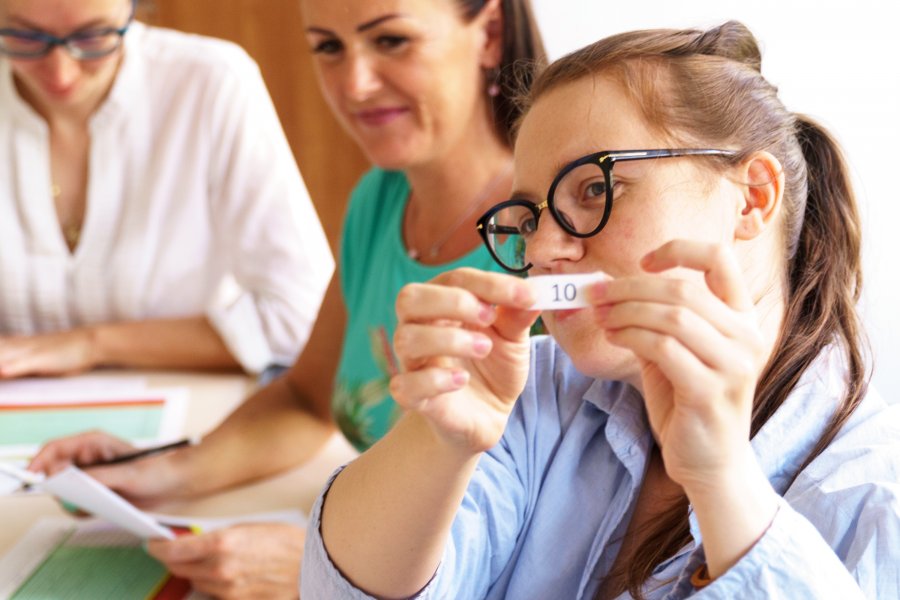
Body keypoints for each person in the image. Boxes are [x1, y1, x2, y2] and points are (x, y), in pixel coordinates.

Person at [302, 21, 900, 599]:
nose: (539, 250)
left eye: (594, 188)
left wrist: (724, 484)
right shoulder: (532, 390)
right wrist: (440, 440)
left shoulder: (876, 494)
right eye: (530, 216)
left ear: (752, 198)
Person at [29, 0, 547, 597]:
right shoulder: (380, 201)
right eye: (329, 47)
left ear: (488, 33)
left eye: (392, 41)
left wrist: (325, 567)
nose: (353, 83)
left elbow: (564, 540)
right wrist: (160, 472)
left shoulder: (553, 237)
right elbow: (305, 400)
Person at [0, 0, 334, 377]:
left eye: (94, 36)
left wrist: (91, 344)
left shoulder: (210, 82)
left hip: (188, 413)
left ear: (132, 12)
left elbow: (302, 316)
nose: (61, 73)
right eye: (24, 36)